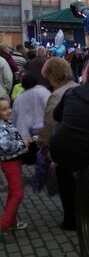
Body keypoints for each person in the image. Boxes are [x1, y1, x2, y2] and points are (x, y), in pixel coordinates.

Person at [49, 58, 89, 230]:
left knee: (65, 182)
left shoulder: (72, 92)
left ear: (86, 74)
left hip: (61, 146)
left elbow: (56, 115)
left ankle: (69, 221)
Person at [0, 98, 30, 238]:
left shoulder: (6, 122)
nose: (9, 111)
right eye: (4, 109)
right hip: (10, 163)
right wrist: (22, 144)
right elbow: (4, 145)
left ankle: (11, 221)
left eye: (9, 107)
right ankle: (3, 225)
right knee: (18, 194)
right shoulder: (1, 126)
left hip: (14, 162)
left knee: (13, 192)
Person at [12, 72, 51, 141]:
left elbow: (15, 117)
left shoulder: (18, 99)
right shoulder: (43, 91)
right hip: (45, 130)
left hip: (26, 134)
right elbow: (50, 108)